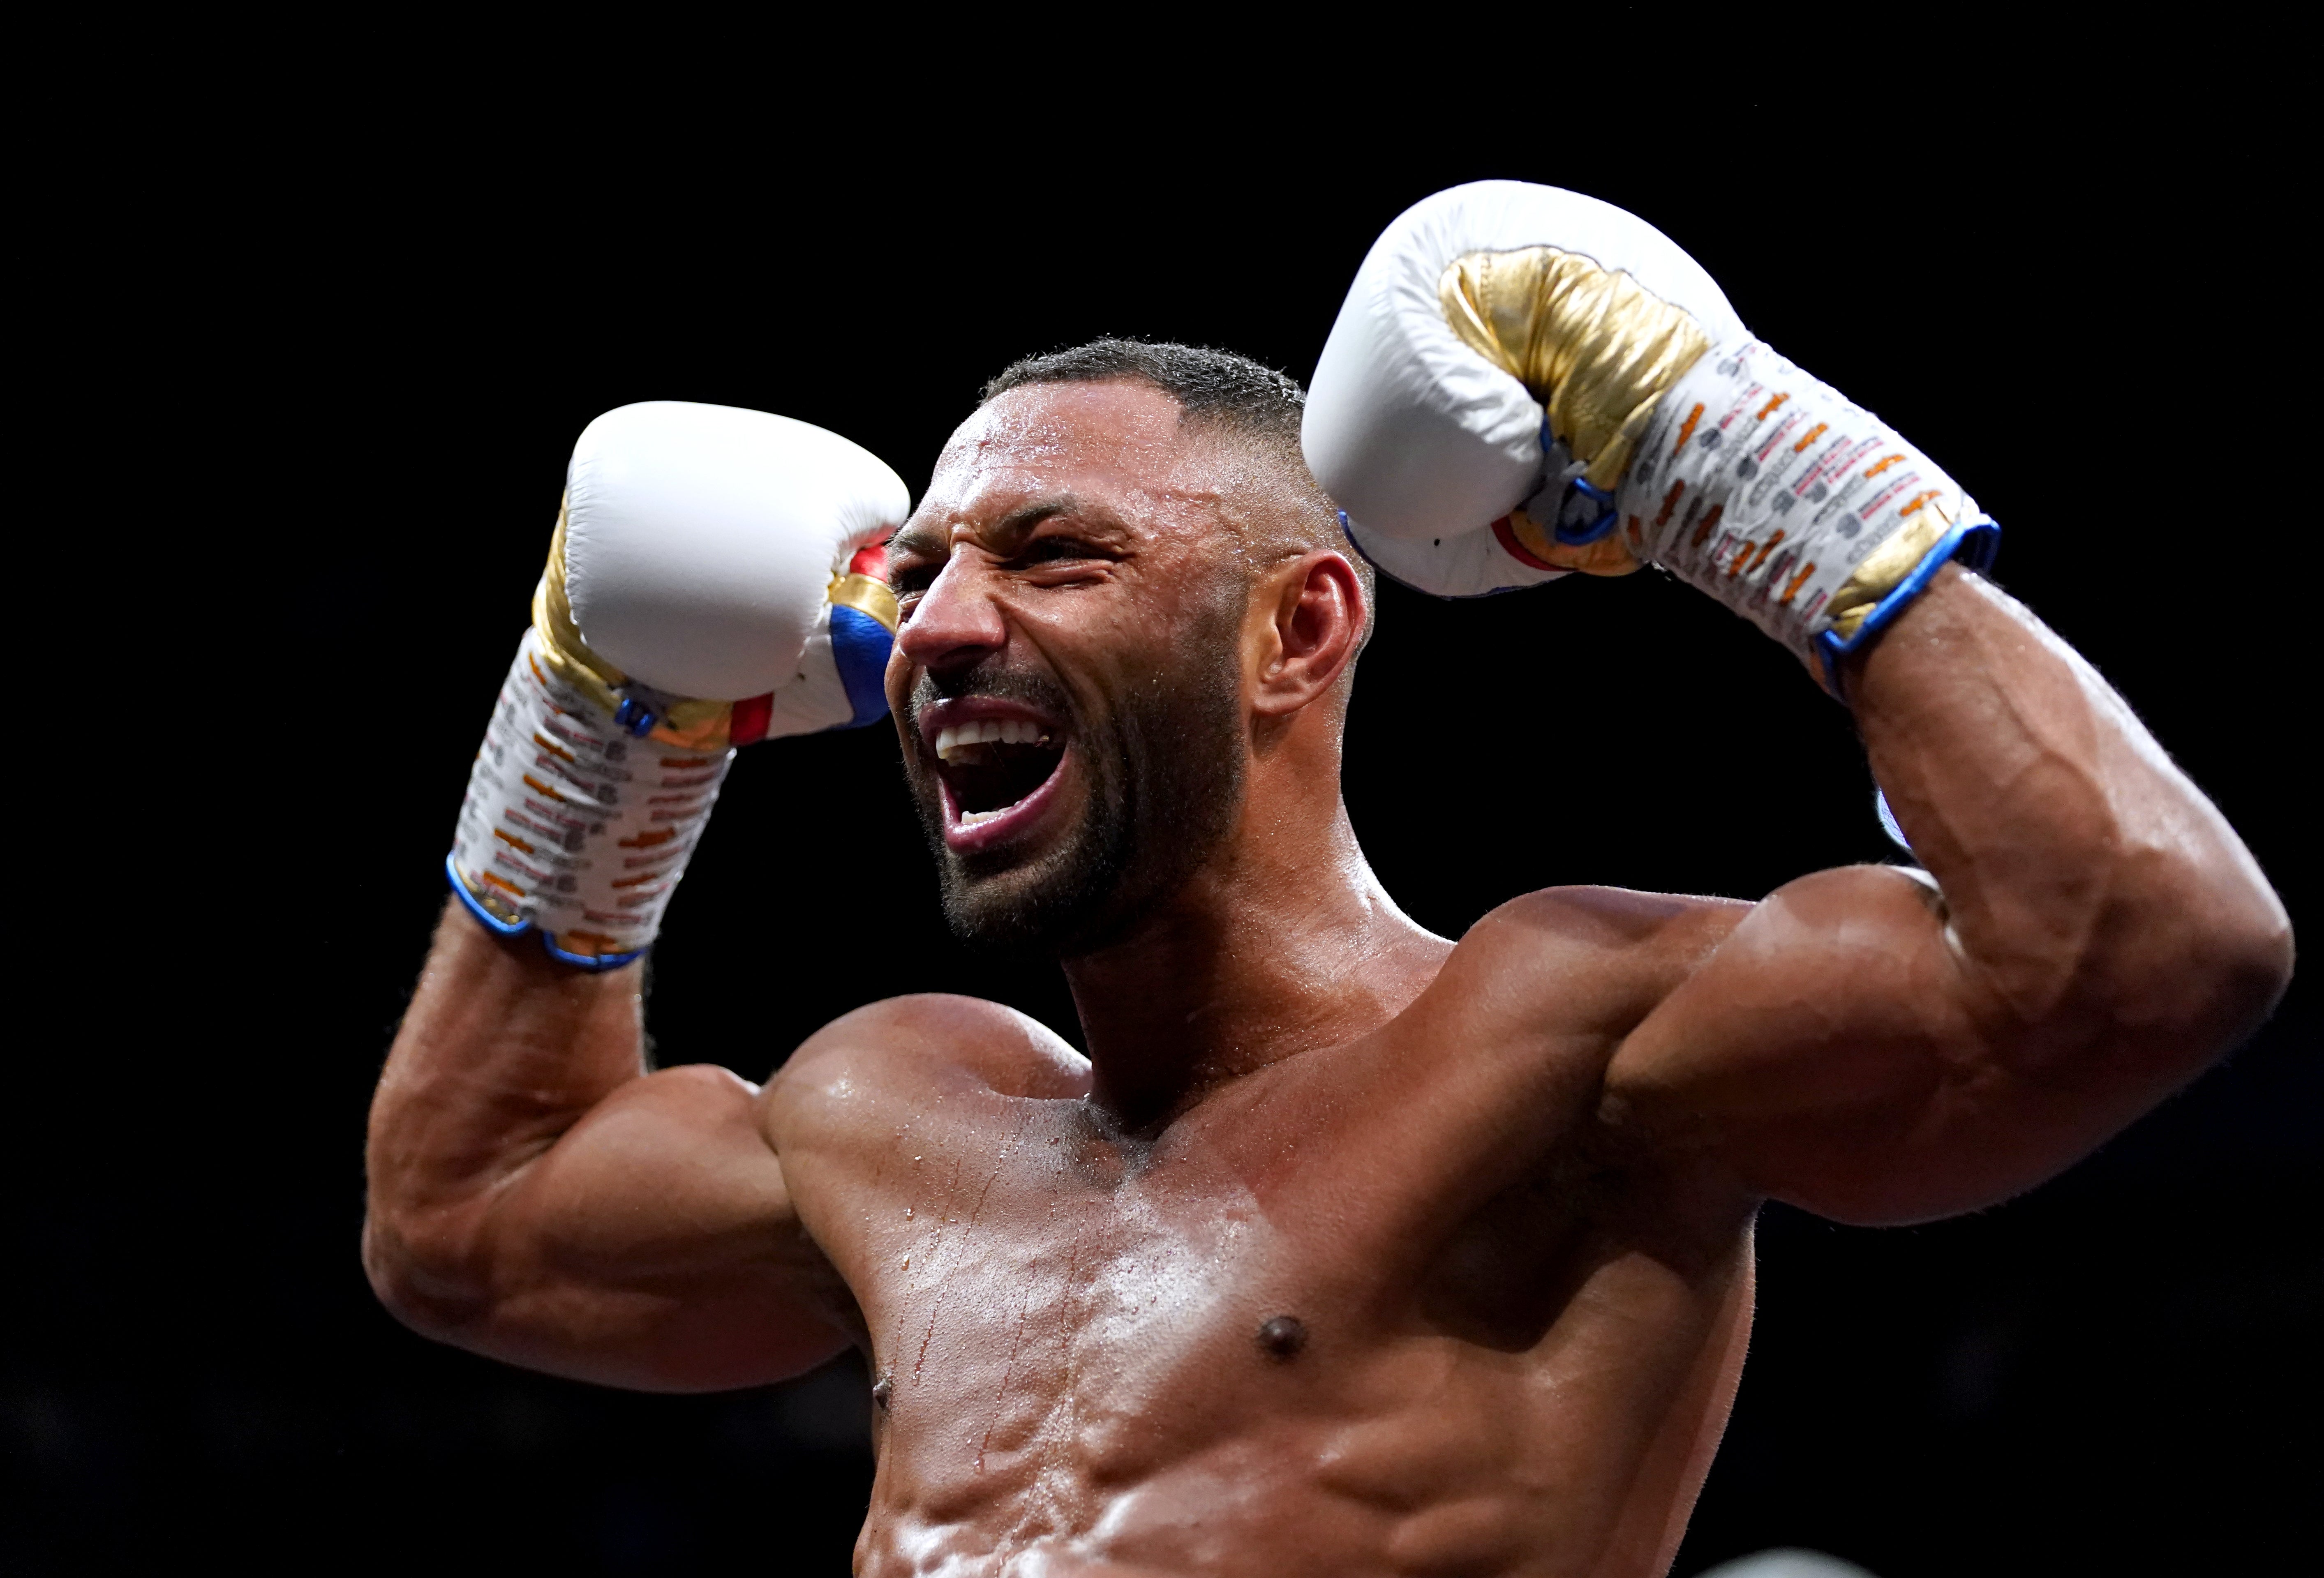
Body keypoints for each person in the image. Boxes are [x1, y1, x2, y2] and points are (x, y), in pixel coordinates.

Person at [364, 183, 2292, 1576]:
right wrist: (595, 729)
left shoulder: (1558, 1044)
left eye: (1053, 556)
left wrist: (1718, 449)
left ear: (1298, 631)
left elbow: (2141, 946)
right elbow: (466, 1221)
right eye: (921, 571)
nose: (934, 629)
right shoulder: (893, 1111)